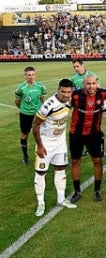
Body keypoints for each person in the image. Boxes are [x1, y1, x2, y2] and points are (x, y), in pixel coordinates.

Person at [32, 79, 77, 217]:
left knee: (60, 170)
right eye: (63, 92)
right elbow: (35, 125)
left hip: (60, 142)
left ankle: (61, 199)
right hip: (46, 143)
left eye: (69, 92)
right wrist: (40, 146)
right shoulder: (48, 105)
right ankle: (41, 202)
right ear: (58, 90)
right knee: (41, 173)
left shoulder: (70, 100)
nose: (66, 95)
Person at [69, 75, 106, 203]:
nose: (91, 86)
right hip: (76, 134)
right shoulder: (75, 95)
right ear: (83, 84)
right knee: (75, 162)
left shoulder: (103, 94)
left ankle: (97, 190)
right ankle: (77, 191)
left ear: (97, 84)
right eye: (88, 84)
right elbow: (65, 106)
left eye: (93, 83)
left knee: (97, 161)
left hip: (94, 134)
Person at [15, 66, 47, 164]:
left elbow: (42, 99)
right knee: (25, 134)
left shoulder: (40, 86)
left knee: (42, 134)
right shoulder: (21, 88)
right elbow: (17, 101)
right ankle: (25, 156)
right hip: (25, 115)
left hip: (38, 114)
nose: (31, 77)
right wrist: (23, 109)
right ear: (25, 76)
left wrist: (42, 109)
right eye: (29, 75)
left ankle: (44, 153)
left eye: (33, 75)